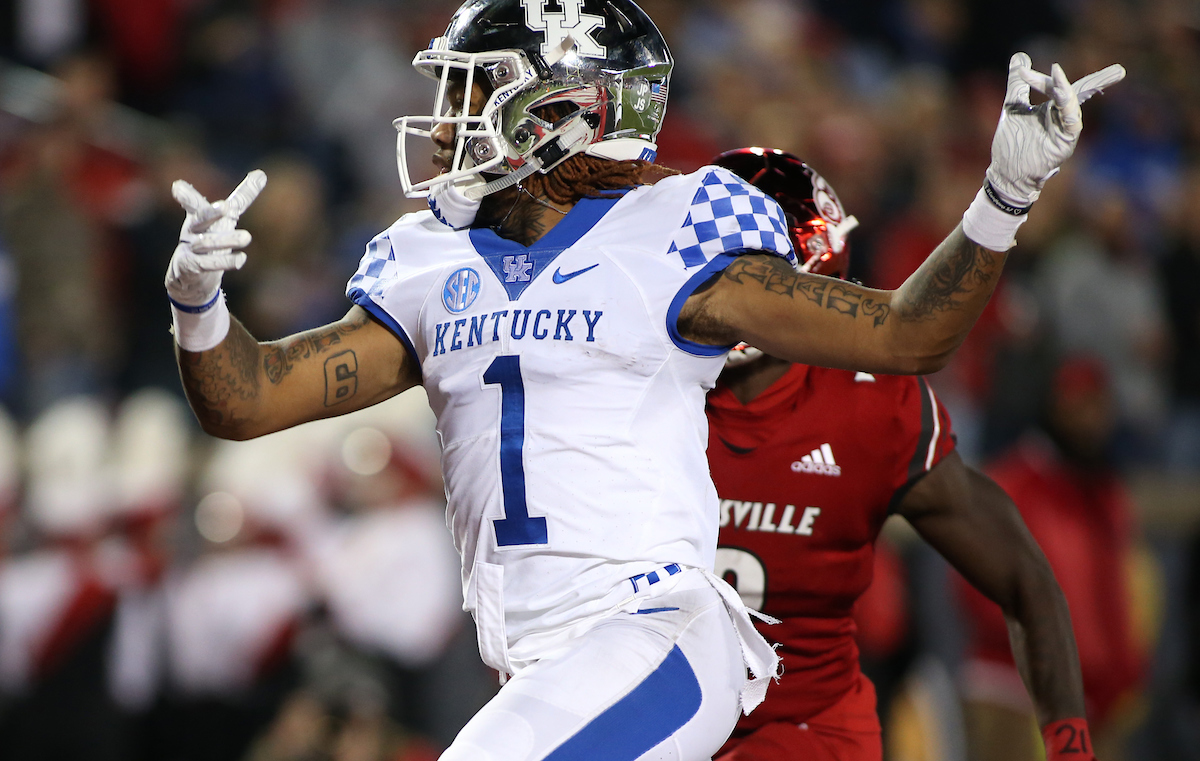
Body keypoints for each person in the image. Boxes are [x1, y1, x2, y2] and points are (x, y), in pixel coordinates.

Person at [162, 1, 1124, 758]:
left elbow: (908, 335)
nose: (447, 119)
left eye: (474, 91)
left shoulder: (672, 232)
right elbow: (247, 402)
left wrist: (1004, 194)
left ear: (564, 109)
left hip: (656, 632)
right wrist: (199, 302)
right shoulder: (426, 260)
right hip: (537, 665)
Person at [704, 148, 1098, 761]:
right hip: (653, 720)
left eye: (747, 269)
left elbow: (1025, 579)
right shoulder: (626, 381)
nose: (717, 284)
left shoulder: (870, 406)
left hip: (808, 731)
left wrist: (1070, 746)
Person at [956, 355, 1148, 761]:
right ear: (1052, 407)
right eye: (1078, 405)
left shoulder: (1106, 493)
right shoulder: (1012, 484)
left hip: (1092, 698)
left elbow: (1116, 594)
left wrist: (1123, 671)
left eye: (1098, 406)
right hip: (1010, 689)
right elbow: (977, 591)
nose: (1091, 419)